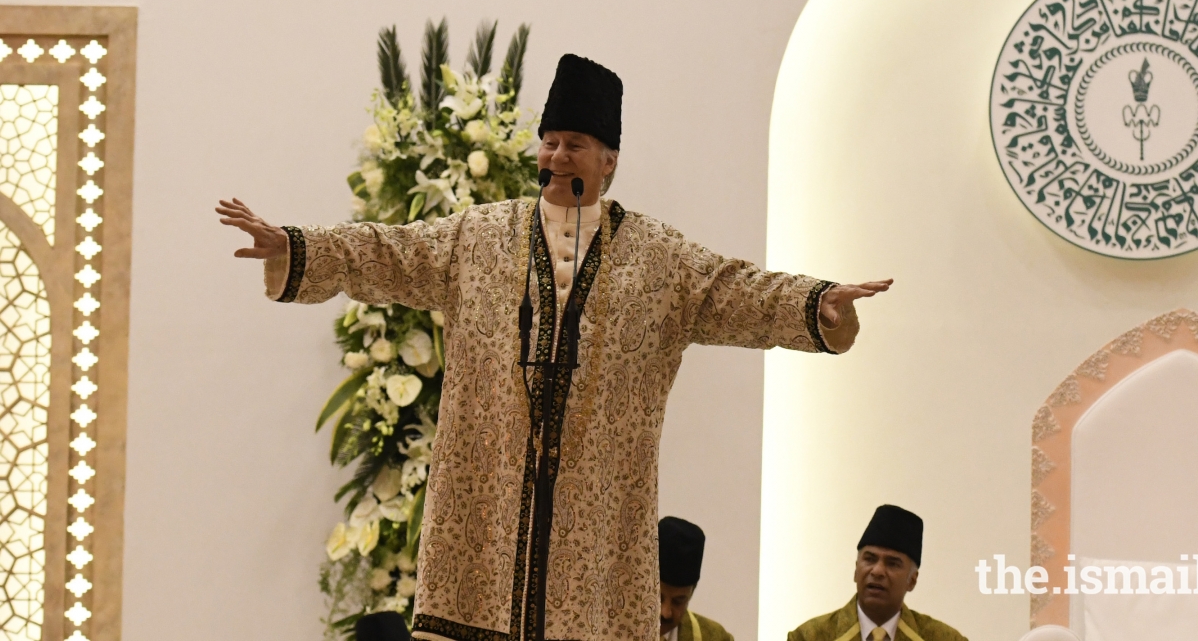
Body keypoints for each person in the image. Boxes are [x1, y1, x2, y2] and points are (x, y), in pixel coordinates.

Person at [217, 54, 892, 641]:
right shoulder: (477, 237)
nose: (556, 157)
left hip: (596, 536)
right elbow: (388, 252)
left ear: (609, 161)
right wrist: (297, 246)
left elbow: (737, 291)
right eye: (550, 143)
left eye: (574, 145)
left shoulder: (661, 260)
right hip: (482, 518)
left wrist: (818, 302)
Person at [787, 505, 967, 641]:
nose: (878, 571)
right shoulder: (808, 637)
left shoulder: (944, 638)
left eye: (892, 563)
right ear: (856, 570)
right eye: (870, 559)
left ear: (912, 580)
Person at [659, 516, 733, 641]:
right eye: (658, 598)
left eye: (678, 602)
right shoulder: (616, 629)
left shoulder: (715, 637)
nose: (665, 613)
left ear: (691, 593)